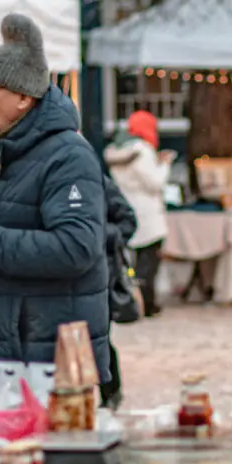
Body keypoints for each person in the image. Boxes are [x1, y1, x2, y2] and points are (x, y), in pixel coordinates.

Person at [0, 15, 109, 399]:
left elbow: (76, 248)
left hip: (46, 362)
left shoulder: (68, 156)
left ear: (24, 96)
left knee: (40, 459)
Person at [105, 109, 172, 317]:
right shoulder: (141, 150)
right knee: (148, 264)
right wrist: (165, 165)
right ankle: (147, 304)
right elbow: (155, 182)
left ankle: (135, 300)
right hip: (149, 215)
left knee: (132, 264)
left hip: (129, 210)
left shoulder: (118, 150)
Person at [101, 174, 137, 410]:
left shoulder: (94, 177)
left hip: (102, 272)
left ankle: (111, 392)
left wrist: (97, 235)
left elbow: (128, 221)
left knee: (100, 336)